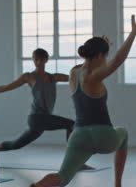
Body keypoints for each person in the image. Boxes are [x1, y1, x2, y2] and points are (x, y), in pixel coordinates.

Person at [31, 15, 135, 187]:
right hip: (103, 136)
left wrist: (103, 46)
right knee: (123, 133)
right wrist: (133, 34)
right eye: (105, 55)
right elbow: (117, 61)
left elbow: (98, 61)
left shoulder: (74, 72)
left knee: (62, 177)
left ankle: (36, 186)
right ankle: (117, 184)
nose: (106, 60)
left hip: (78, 135)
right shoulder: (93, 77)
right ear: (101, 55)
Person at [0, 49, 76, 152]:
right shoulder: (29, 76)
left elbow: (76, 77)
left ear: (46, 60)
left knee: (16, 144)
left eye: (41, 60)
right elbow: (6, 87)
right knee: (71, 124)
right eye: (36, 59)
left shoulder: (54, 77)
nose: (38, 62)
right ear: (33, 60)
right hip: (37, 118)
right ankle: (72, 157)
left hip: (43, 119)